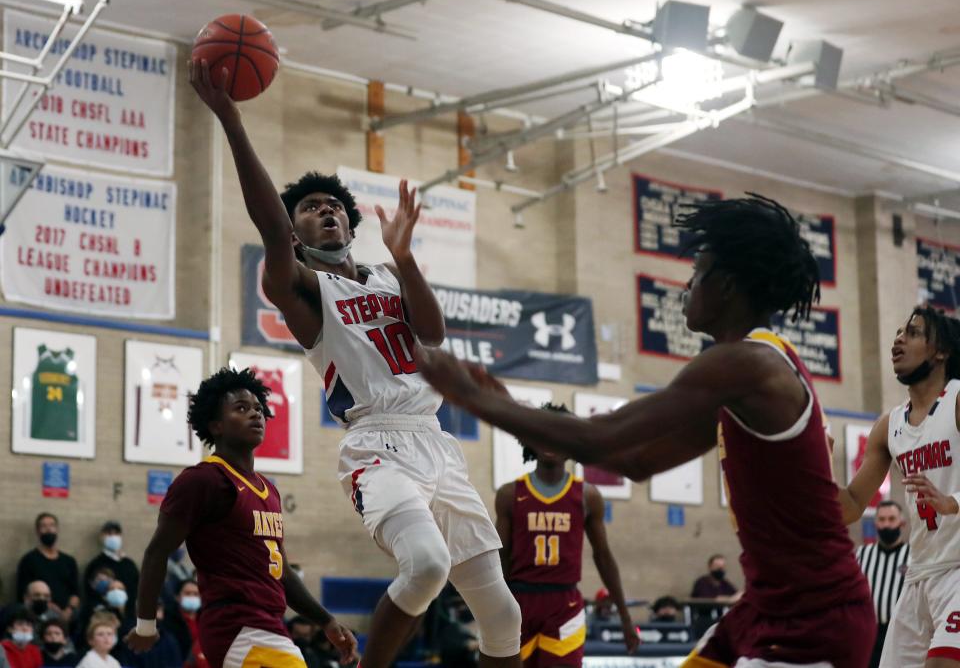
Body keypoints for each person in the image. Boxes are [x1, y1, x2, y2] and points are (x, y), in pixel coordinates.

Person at [417, 194, 876, 667]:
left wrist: (477, 401)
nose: (687, 287)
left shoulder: (746, 364)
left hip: (814, 615)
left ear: (728, 286)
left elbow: (598, 438)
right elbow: (636, 461)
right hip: (767, 605)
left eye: (697, 273)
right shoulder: (744, 375)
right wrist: (508, 406)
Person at [188, 57, 522, 668]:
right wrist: (231, 120)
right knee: (425, 565)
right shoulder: (303, 291)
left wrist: (408, 258)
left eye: (334, 205)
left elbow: (434, 331)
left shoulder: (389, 274)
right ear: (294, 233)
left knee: (504, 615)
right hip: (375, 444)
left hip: (436, 441)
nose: (328, 210)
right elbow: (267, 222)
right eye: (311, 207)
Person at [124, 368, 357, 668]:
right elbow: (157, 551)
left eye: (259, 409)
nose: (255, 415)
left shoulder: (268, 490)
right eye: (241, 408)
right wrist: (146, 625)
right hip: (236, 625)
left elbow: (282, 573)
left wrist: (327, 621)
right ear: (216, 425)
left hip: (271, 625)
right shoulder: (203, 480)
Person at [839, 306, 960, 668]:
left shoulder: (956, 400)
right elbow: (850, 505)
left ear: (940, 351)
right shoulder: (888, 426)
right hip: (920, 573)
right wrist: (809, 468)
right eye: (898, 332)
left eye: (913, 332)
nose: (898, 339)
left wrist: (952, 502)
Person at [495, 404, 638, 667]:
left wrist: (625, 618)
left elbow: (603, 557)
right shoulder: (509, 494)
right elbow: (499, 557)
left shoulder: (587, 496)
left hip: (565, 605)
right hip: (518, 601)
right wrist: (492, 607)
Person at [855, 501, 910, 668]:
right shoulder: (862, 553)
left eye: (891, 519)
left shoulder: (913, 555)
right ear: (876, 523)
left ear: (902, 523)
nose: (886, 524)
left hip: (901, 634)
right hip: (869, 633)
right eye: (882, 519)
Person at [16, 514, 79, 627]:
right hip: (40, 613)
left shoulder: (69, 561)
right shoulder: (29, 560)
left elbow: (76, 592)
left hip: (68, 615)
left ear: (57, 529)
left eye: (52, 525)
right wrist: (49, 606)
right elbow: (22, 593)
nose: (48, 529)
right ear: (37, 531)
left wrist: (69, 610)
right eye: (43, 526)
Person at [83, 523, 139, 618]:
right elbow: (90, 592)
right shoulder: (96, 564)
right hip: (103, 615)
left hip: (129, 615)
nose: (113, 537)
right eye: (109, 533)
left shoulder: (129, 564)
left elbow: (138, 588)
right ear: (102, 537)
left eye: (116, 533)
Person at [161, 580, 205, 668]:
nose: (192, 597)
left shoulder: (206, 618)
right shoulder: (168, 621)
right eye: (187, 593)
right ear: (177, 597)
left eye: (196, 594)